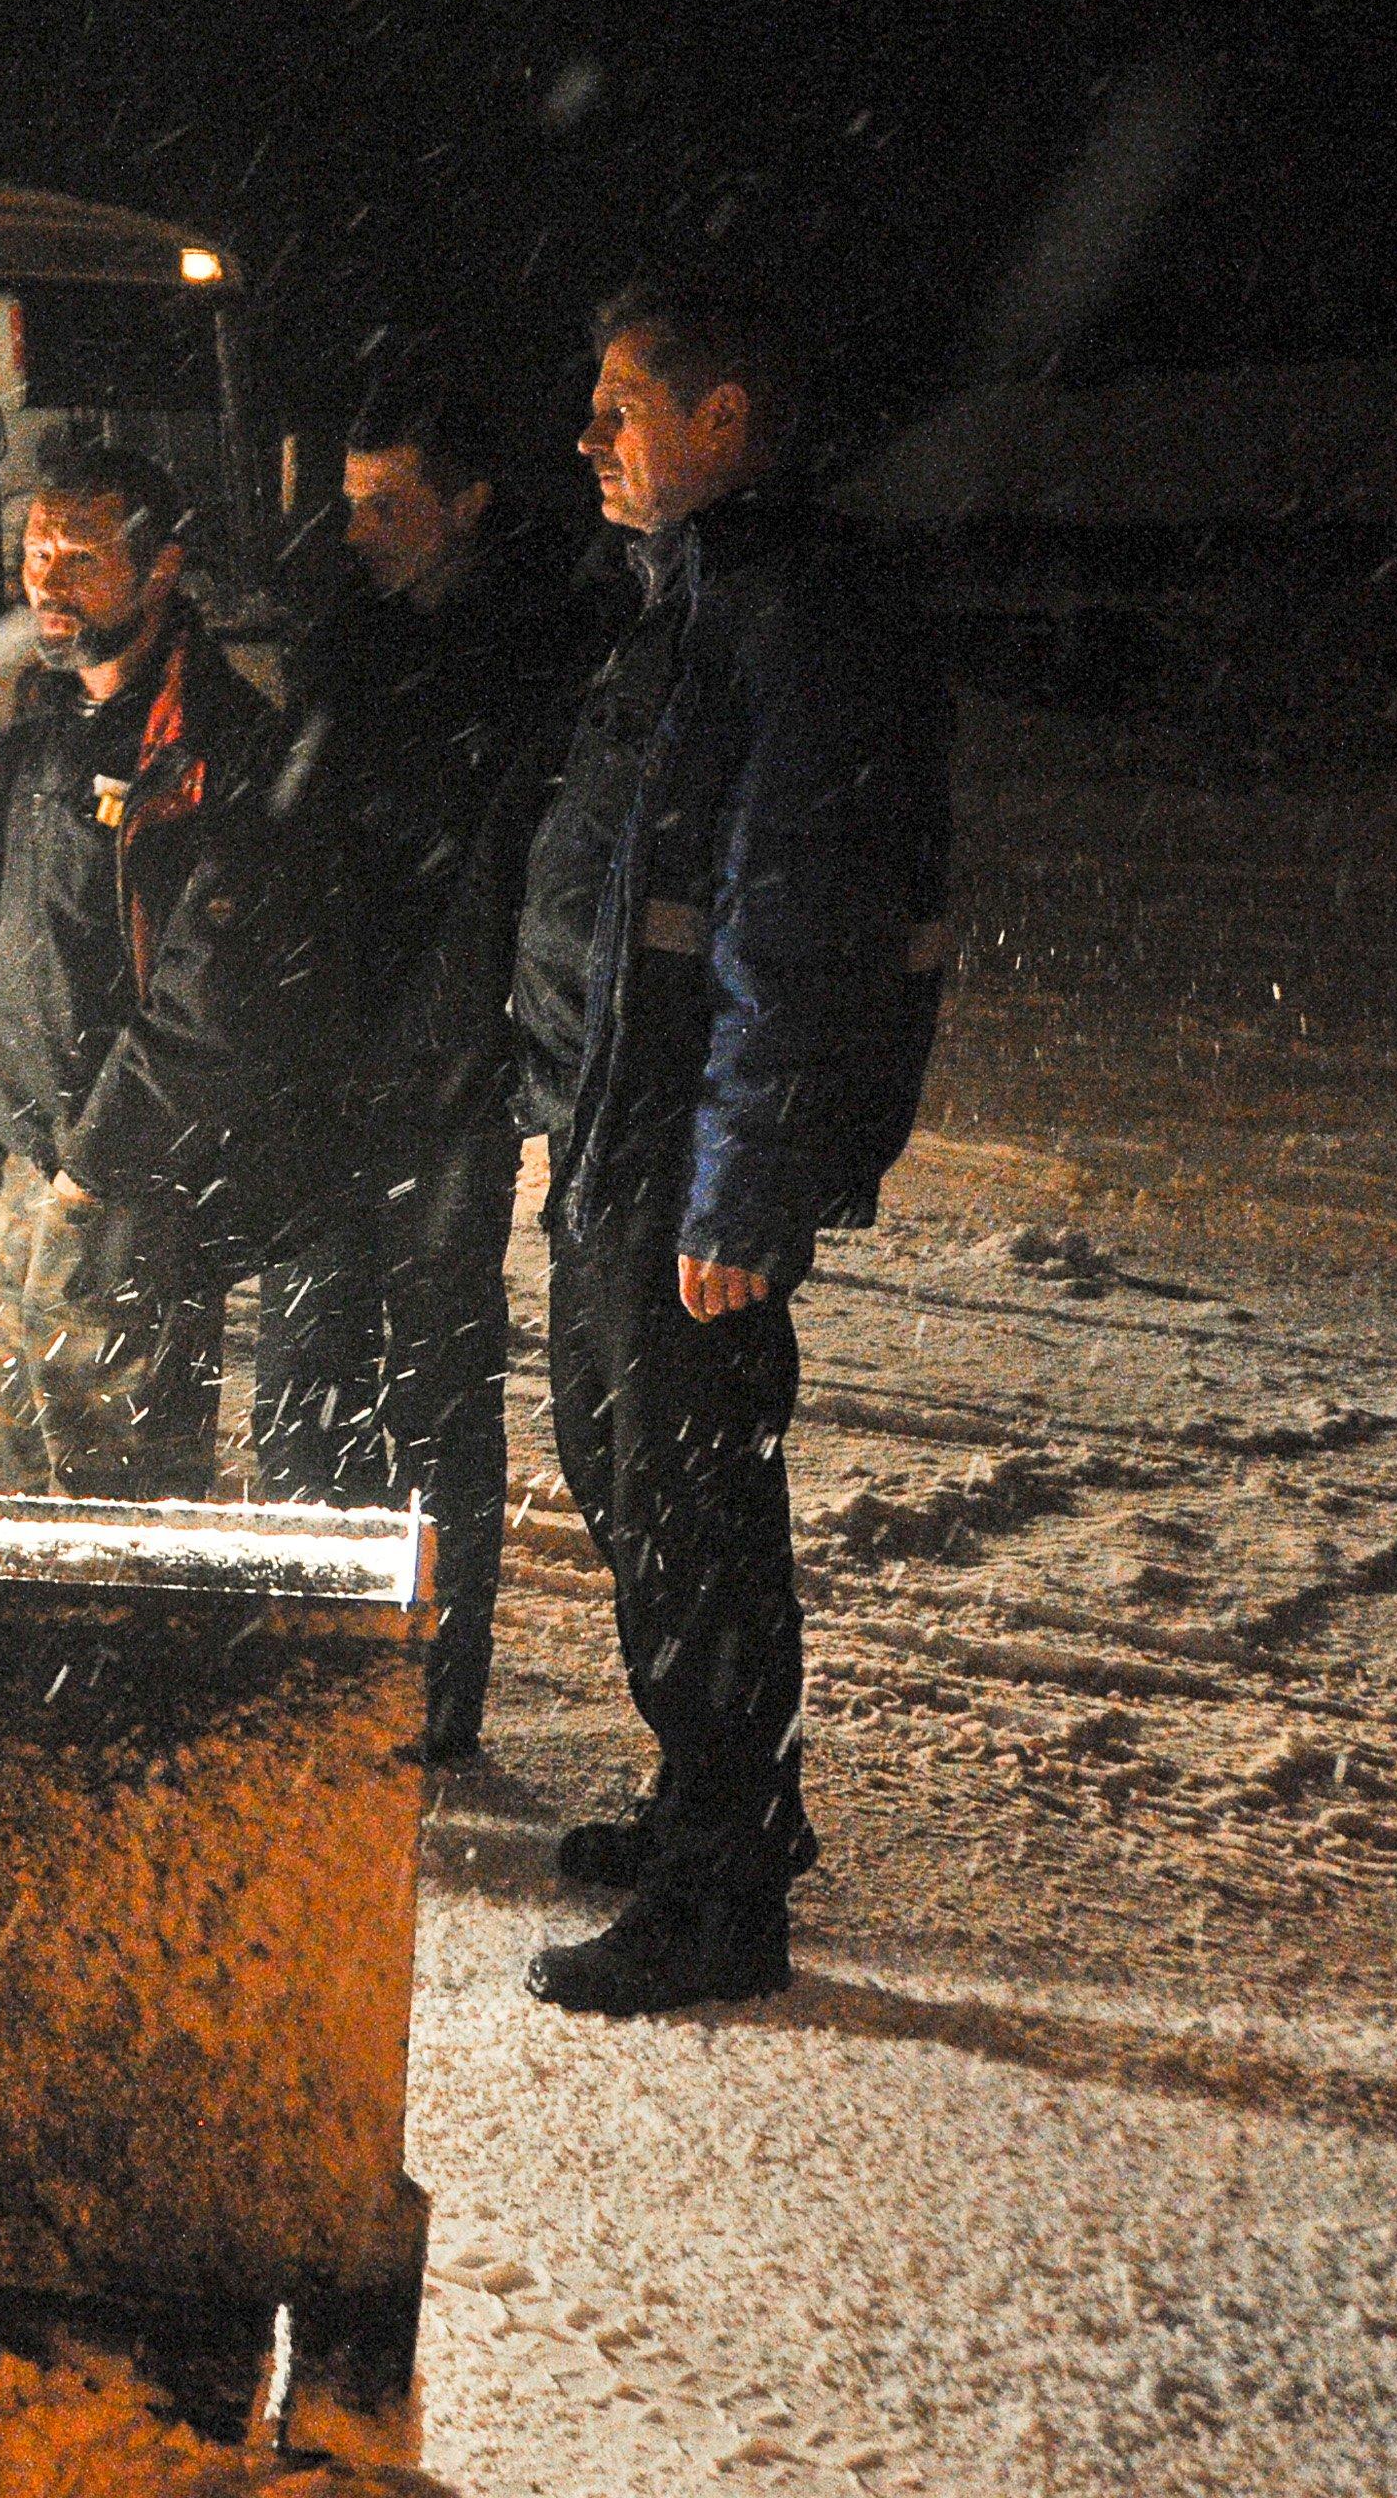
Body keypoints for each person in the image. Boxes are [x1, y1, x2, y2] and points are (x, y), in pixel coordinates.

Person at [507, 279, 954, 2015]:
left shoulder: (798, 619)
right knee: (626, 1472)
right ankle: (715, 1798)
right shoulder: (686, 598)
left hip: (686, 1143)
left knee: (691, 1504)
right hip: (618, 1122)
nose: (587, 438)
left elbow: (799, 924)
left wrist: (743, 1187)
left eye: (621, 406)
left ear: (723, 419)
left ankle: (722, 1893)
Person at [0, 426, 312, 1499]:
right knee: (36, 1474)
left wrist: (96, 1167)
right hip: (35, 1160)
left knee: (122, 1493)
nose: (45, 583)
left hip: (129, 1183)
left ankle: (145, 1619)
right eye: (34, 553)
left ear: (161, 569)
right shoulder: (49, 722)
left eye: (80, 557)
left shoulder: (211, 745)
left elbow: (211, 994)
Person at [249, 387, 596, 1766]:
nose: (358, 531)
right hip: (325, 1065)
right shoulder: (349, 641)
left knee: (435, 1388)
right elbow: (296, 850)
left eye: (387, 505)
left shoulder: (528, 660)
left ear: (467, 506)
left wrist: (463, 1054)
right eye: (347, 504)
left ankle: (432, 1692)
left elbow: (502, 892)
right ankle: (310, 1667)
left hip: (443, 1080)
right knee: (302, 1372)